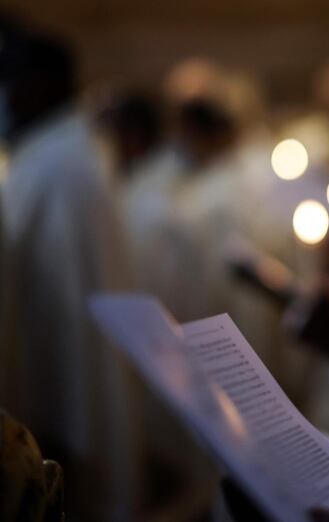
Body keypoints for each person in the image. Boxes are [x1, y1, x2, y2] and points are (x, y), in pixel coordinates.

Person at [0, 28, 139, 519]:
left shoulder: (59, 168)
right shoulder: (57, 154)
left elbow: (64, 328)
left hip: (62, 416)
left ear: (41, 84)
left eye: (8, 78)